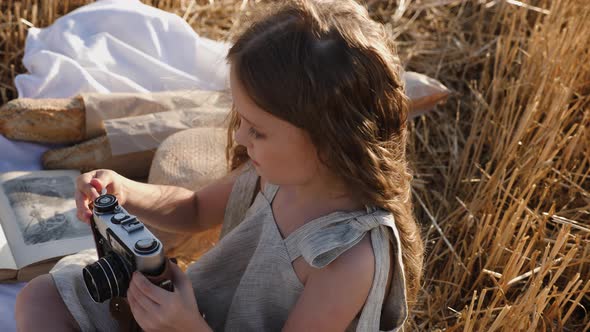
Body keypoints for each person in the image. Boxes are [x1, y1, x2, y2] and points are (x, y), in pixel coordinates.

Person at [15, 0, 424, 330]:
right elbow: (193, 207)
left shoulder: (348, 258)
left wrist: (186, 326)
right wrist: (125, 191)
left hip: (193, 324)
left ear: (329, 141)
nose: (240, 138)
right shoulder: (276, 174)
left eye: (257, 130)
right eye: (241, 120)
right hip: (193, 313)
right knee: (41, 300)